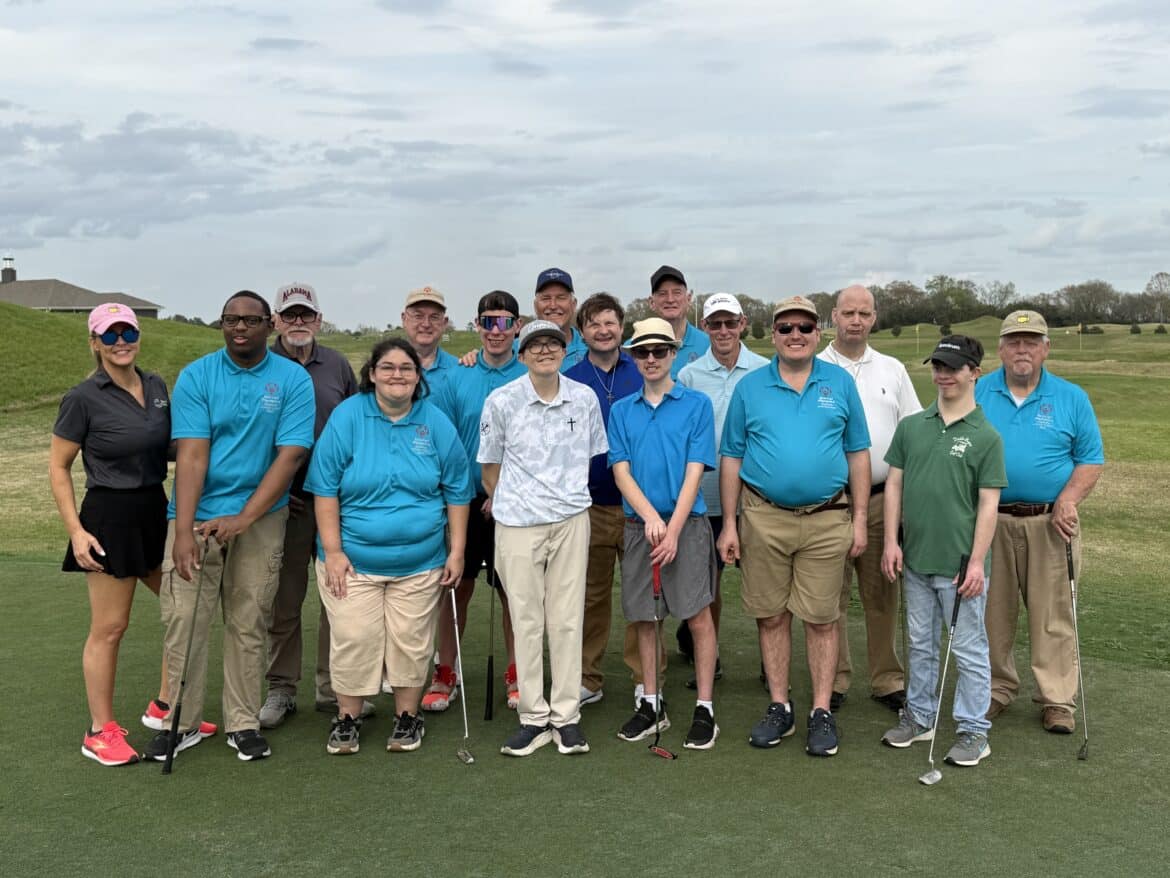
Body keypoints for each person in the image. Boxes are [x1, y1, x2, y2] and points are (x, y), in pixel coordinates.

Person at [143, 290, 315, 763]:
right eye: (230, 320)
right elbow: (193, 454)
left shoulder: (292, 379)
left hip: (261, 517)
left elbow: (290, 455)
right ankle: (181, 721)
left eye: (251, 320)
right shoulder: (199, 374)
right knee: (184, 621)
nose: (240, 328)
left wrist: (244, 518)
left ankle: (242, 721)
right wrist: (182, 530)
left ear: (270, 325)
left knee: (249, 619)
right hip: (196, 514)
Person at [49, 304, 211, 765]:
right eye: (110, 334)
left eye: (128, 331)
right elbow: (58, 468)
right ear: (95, 342)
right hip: (108, 516)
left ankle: (164, 708)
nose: (121, 341)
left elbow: (173, 447)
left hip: (155, 510)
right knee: (111, 627)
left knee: (181, 610)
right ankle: (99, 731)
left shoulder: (157, 385)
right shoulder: (82, 398)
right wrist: (77, 533)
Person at [717, 295, 870, 758]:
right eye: (786, 328)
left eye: (805, 327)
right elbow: (731, 457)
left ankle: (820, 711)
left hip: (827, 518)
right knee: (771, 615)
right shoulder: (751, 388)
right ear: (772, 334)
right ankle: (779, 705)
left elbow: (858, 453)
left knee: (823, 619)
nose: (796, 335)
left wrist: (860, 518)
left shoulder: (839, 383)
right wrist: (729, 523)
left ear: (818, 331)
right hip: (763, 517)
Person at [304, 338, 471, 755]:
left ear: (419, 377)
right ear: (373, 374)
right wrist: (334, 550)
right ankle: (347, 718)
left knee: (412, 640)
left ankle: (407, 717)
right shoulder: (347, 417)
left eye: (407, 368)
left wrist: (457, 551)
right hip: (352, 560)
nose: (398, 375)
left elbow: (456, 490)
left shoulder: (434, 421)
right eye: (388, 367)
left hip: (421, 560)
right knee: (354, 636)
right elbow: (324, 488)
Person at [479, 320, 607, 756]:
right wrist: (519, 503)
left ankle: (566, 717)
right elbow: (490, 469)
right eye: (535, 345)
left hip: (572, 519)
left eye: (553, 343)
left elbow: (589, 457)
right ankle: (533, 717)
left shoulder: (584, 398)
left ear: (564, 349)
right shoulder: (501, 401)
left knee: (567, 618)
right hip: (517, 525)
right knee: (527, 619)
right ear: (522, 354)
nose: (545, 350)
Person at [975, 310, 1104, 733]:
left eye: (1031, 341)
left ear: (1046, 348)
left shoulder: (1071, 397)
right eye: (1014, 341)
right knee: (993, 612)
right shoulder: (977, 391)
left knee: (1053, 614)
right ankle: (995, 688)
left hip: (1051, 522)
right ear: (1000, 348)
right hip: (990, 521)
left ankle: (1056, 700)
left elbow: (1090, 460)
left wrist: (1069, 499)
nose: (1022, 349)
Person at [880, 335, 1005, 767]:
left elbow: (989, 504)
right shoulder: (913, 426)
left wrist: (976, 562)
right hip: (915, 559)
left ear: (974, 372)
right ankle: (920, 717)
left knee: (968, 648)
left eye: (953, 367)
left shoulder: (986, 436)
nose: (943, 374)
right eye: (937, 366)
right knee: (919, 642)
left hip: (959, 568)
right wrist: (891, 541)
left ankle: (974, 731)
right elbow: (894, 483)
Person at [608, 318, 720, 749]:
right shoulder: (622, 410)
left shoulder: (695, 404)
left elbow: (695, 471)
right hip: (640, 526)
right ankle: (651, 701)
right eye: (642, 352)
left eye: (659, 351)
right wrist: (651, 518)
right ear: (633, 356)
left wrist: (671, 529)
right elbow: (621, 471)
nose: (651, 359)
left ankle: (704, 707)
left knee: (697, 616)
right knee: (644, 617)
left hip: (686, 526)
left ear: (674, 353)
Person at [260, 283, 367, 730]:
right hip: (283, 502)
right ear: (277, 322)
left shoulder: (337, 364)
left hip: (333, 500)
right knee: (285, 601)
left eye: (307, 315)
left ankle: (332, 687)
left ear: (319, 320)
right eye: (290, 315)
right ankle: (282, 689)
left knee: (337, 599)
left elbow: (359, 419)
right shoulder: (260, 364)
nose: (298, 322)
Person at [818, 284, 923, 712]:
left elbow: (913, 432)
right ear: (834, 316)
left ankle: (886, 679)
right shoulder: (814, 365)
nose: (856, 320)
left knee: (881, 593)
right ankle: (836, 678)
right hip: (828, 502)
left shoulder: (892, 369)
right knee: (830, 596)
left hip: (882, 500)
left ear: (874, 318)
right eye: (848, 313)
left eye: (864, 313)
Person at [426, 291, 527, 712]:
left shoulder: (531, 374)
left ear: (517, 327)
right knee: (457, 587)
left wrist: (501, 493)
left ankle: (518, 672)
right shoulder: (457, 377)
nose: (496, 331)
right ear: (477, 326)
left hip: (517, 502)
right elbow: (444, 444)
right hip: (465, 501)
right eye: (488, 322)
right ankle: (445, 671)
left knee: (513, 593)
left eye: (504, 322)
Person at [675, 292, 769, 685]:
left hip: (757, 499)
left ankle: (771, 665)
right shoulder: (690, 375)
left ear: (743, 323)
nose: (724, 330)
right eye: (716, 324)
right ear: (706, 328)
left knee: (767, 588)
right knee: (706, 589)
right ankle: (706, 660)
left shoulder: (766, 370)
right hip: (704, 499)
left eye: (731, 322)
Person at [564, 293, 644, 706]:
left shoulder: (642, 369)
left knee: (640, 595)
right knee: (590, 595)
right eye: (594, 324)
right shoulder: (569, 377)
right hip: (588, 505)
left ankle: (645, 677)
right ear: (582, 332)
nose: (603, 330)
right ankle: (587, 679)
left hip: (637, 507)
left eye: (610, 322)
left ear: (621, 327)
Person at [647, 265, 710, 377]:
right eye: (662, 294)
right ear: (652, 302)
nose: (670, 299)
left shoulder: (709, 345)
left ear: (688, 299)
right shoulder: (635, 349)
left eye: (677, 292)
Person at [401, 285, 460, 401]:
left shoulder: (459, 370)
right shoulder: (387, 369)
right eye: (418, 316)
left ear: (444, 323)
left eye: (434, 317)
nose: (426, 324)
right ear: (404, 319)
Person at [533, 267, 588, 370]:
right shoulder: (516, 350)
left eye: (561, 298)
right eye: (546, 298)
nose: (553, 305)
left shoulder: (590, 350)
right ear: (535, 306)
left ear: (573, 304)